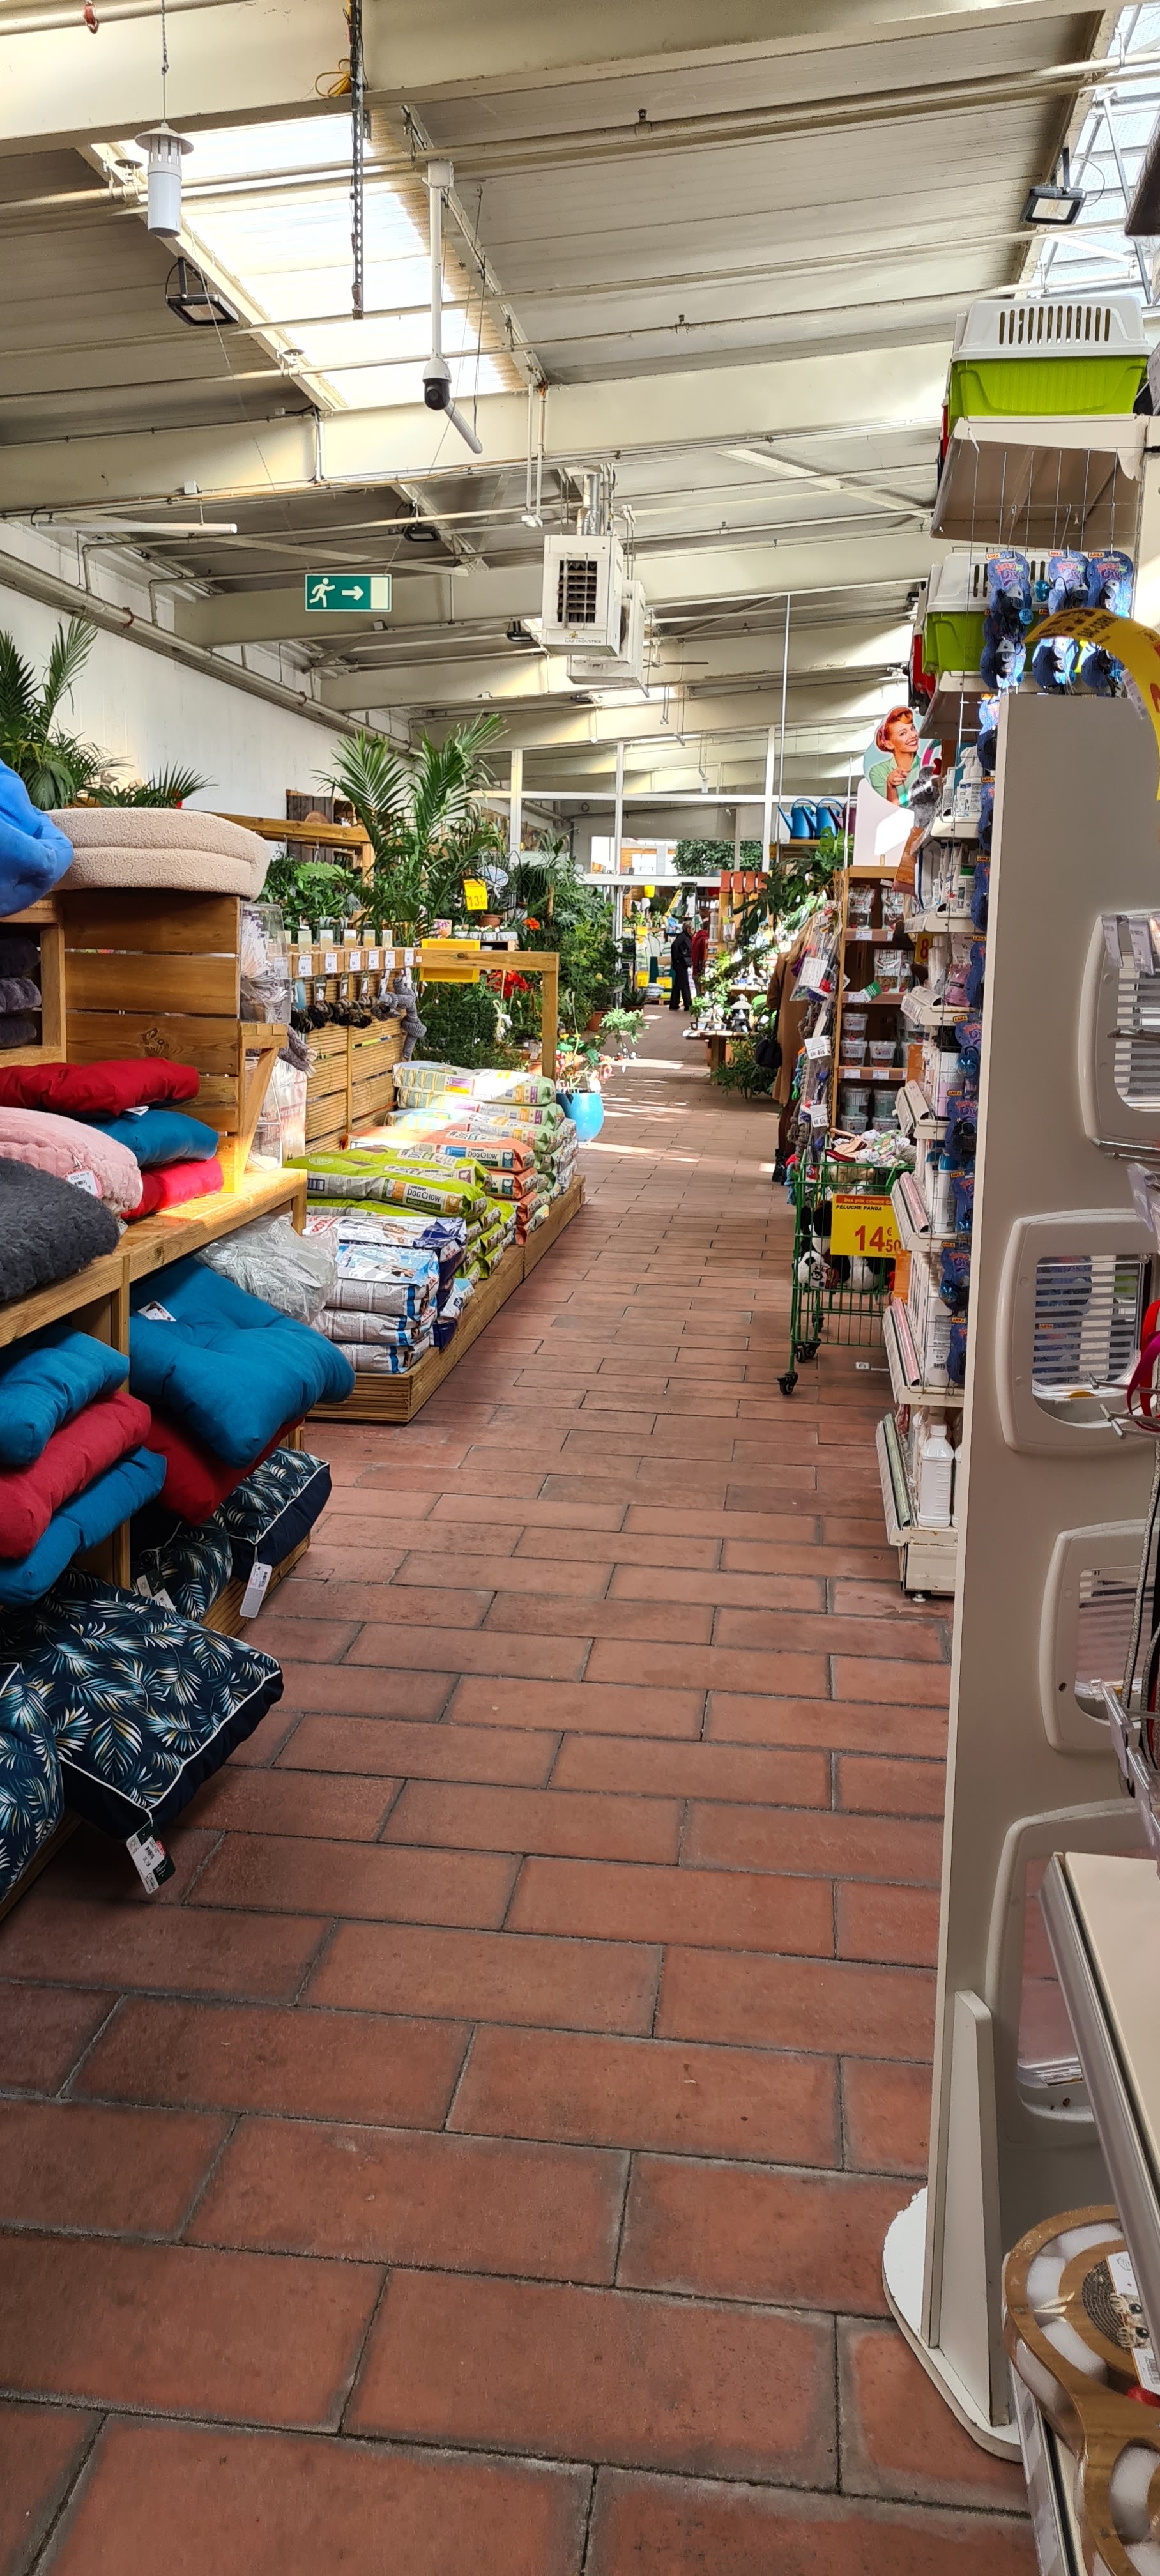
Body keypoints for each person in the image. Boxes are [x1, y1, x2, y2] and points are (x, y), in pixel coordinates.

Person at [669, 919, 694, 1012]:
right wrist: (676, 959)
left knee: (678, 984)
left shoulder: (685, 937)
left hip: (682, 963)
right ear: (688, 929)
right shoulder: (683, 937)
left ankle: (674, 1004)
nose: (693, 931)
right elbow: (674, 946)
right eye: (692, 929)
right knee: (684, 984)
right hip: (681, 963)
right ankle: (688, 1004)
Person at [690, 914, 709, 989]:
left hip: (695, 970)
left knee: (698, 991)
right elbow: (704, 955)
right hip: (701, 971)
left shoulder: (696, 937)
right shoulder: (705, 939)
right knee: (702, 991)